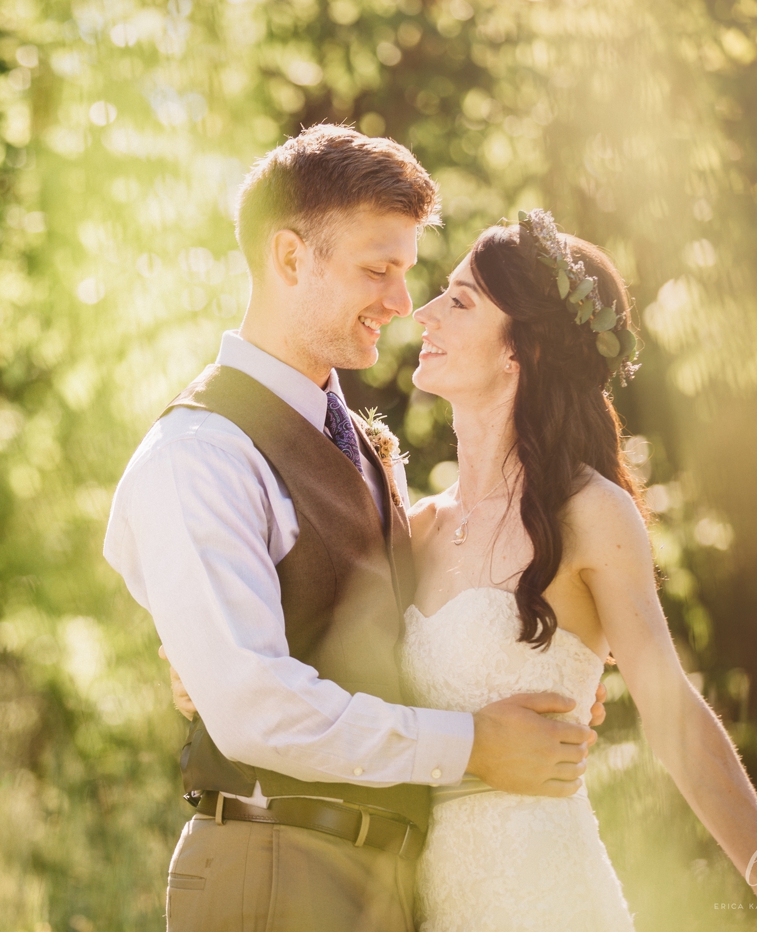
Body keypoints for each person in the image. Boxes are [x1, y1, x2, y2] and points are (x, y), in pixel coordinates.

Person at [103, 125, 608, 932]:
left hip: (394, 881)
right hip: (276, 871)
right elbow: (257, 707)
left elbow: (377, 639)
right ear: (291, 258)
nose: (403, 303)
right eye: (379, 270)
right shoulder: (199, 455)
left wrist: (524, 676)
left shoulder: (359, 446)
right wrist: (472, 742)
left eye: (406, 273)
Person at [395, 209, 757, 930]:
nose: (423, 313)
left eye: (459, 300)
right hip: (423, 902)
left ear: (524, 347)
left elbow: (673, 713)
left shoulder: (591, 514)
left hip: (546, 898)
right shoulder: (414, 527)